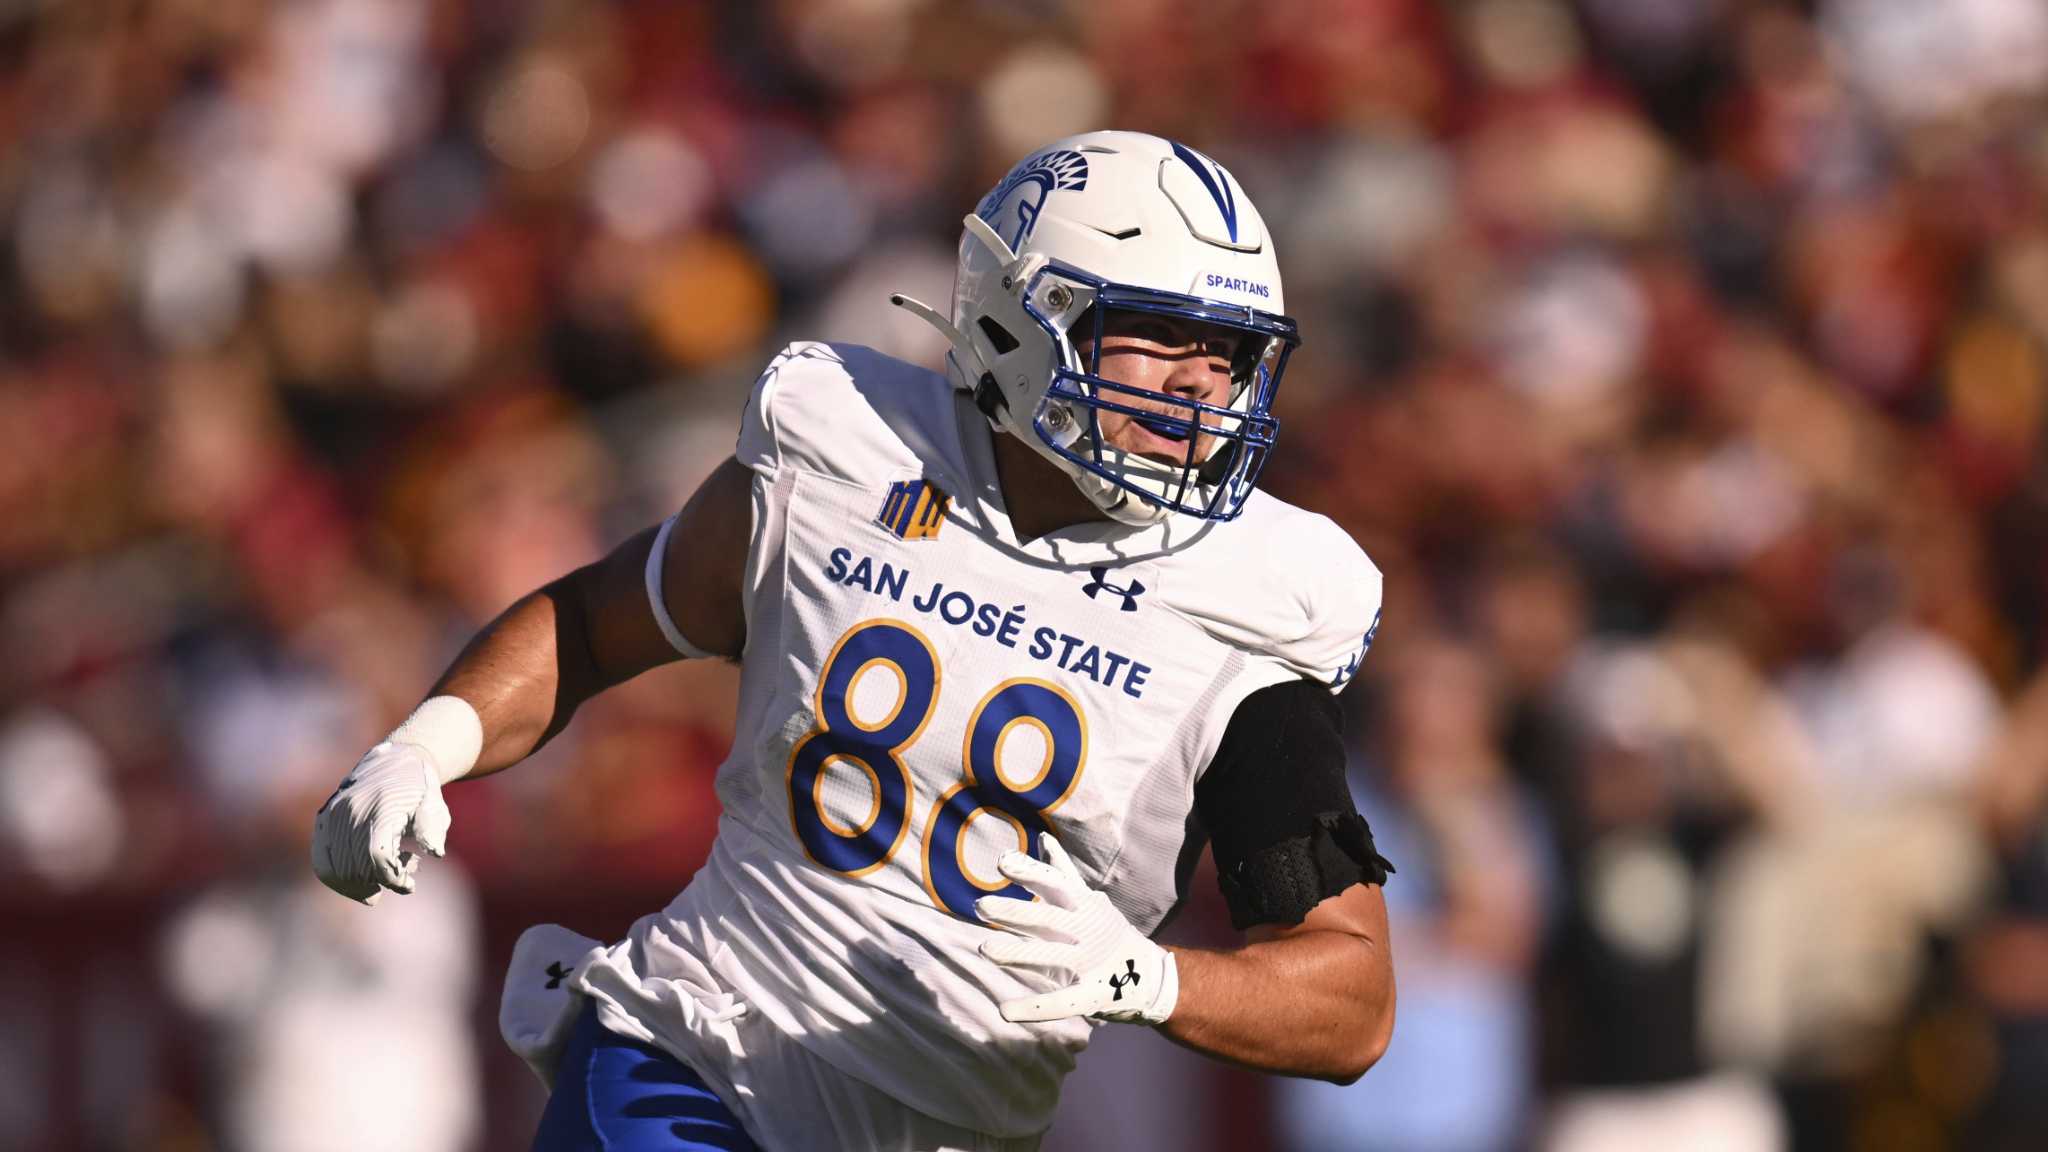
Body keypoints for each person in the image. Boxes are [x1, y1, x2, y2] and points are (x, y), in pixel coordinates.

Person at [311, 130, 1396, 1152]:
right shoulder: (848, 456)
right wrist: (428, 743)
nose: (1201, 382)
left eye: (1228, 351)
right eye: (1162, 333)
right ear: (1027, 317)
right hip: (696, 1049)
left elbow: (1348, 1000)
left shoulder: (1250, 605)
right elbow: (598, 623)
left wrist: (1152, 980)